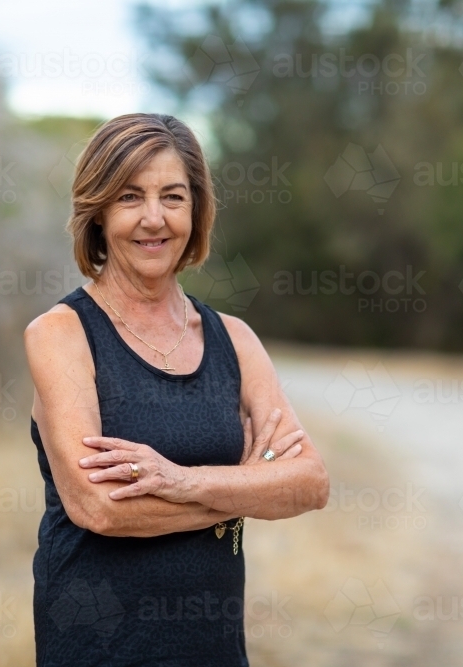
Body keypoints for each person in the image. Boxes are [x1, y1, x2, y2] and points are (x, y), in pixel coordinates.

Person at [24, 113, 330, 666]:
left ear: (196, 210)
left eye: (173, 196)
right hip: (98, 646)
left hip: (212, 648)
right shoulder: (62, 335)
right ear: (98, 212)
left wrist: (180, 481)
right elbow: (100, 509)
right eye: (129, 197)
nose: (153, 219)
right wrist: (244, 489)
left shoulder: (233, 340)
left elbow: (309, 483)